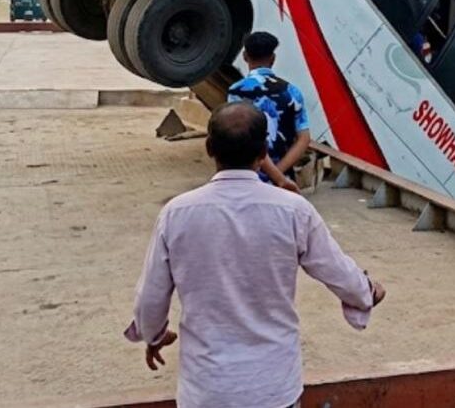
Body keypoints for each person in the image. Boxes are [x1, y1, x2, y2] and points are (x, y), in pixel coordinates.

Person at [125, 102, 385, 408]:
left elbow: (150, 298)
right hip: (273, 389)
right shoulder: (294, 211)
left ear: (209, 149)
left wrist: (153, 335)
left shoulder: (176, 213)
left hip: (206, 390)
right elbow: (337, 270)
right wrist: (366, 293)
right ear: (264, 152)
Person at [228, 31, 311, 186]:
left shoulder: (237, 91)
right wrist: (278, 175)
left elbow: (240, 137)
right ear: (273, 58)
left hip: (247, 179)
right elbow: (304, 139)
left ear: (245, 56)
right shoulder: (292, 92)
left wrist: (268, 176)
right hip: (283, 180)